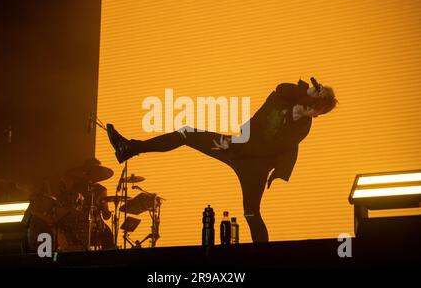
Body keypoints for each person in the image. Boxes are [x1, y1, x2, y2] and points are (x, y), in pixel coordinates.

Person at [106, 78, 338, 242]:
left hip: (255, 166)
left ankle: (265, 260)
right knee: (186, 133)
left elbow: (265, 147)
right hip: (236, 147)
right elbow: (281, 88)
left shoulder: (301, 130)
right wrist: (308, 91)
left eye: (310, 109)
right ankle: (129, 148)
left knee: (251, 213)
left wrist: (233, 145)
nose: (302, 109)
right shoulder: (288, 97)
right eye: (305, 103)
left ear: (316, 114)